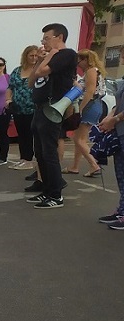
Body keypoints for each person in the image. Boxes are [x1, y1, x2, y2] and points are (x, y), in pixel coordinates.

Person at [27, 23, 78, 209]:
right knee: (39, 152)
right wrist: (40, 60)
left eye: (47, 38)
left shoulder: (66, 54)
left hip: (53, 108)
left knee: (49, 153)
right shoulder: (49, 57)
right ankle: (47, 191)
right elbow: (31, 82)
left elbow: (43, 72)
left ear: (59, 37)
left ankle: (56, 195)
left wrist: (49, 55)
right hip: (39, 107)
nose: (43, 42)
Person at [63, 49, 105, 177]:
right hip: (93, 105)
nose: (78, 64)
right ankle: (75, 166)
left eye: (79, 61)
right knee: (80, 138)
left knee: (78, 139)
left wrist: (80, 109)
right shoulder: (93, 71)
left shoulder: (91, 71)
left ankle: (94, 164)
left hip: (90, 106)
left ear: (86, 60)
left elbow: (89, 92)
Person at [96, 78, 124, 229]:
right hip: (120, 131)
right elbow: (119, 103)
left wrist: (114, 119)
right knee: (121, 175)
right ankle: (121, 210)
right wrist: (110, 116)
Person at [8, 46, 40, 170]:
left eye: (36, 56)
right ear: (25, 56)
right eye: (31, 55)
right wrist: (8, 100)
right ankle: (23, 158)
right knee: (21, 134)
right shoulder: (17, 71)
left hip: (32, 107)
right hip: (18, 107)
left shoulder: (38, 70)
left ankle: (30, 159)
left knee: (30, 134)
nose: (34, 58)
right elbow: (10, 87)